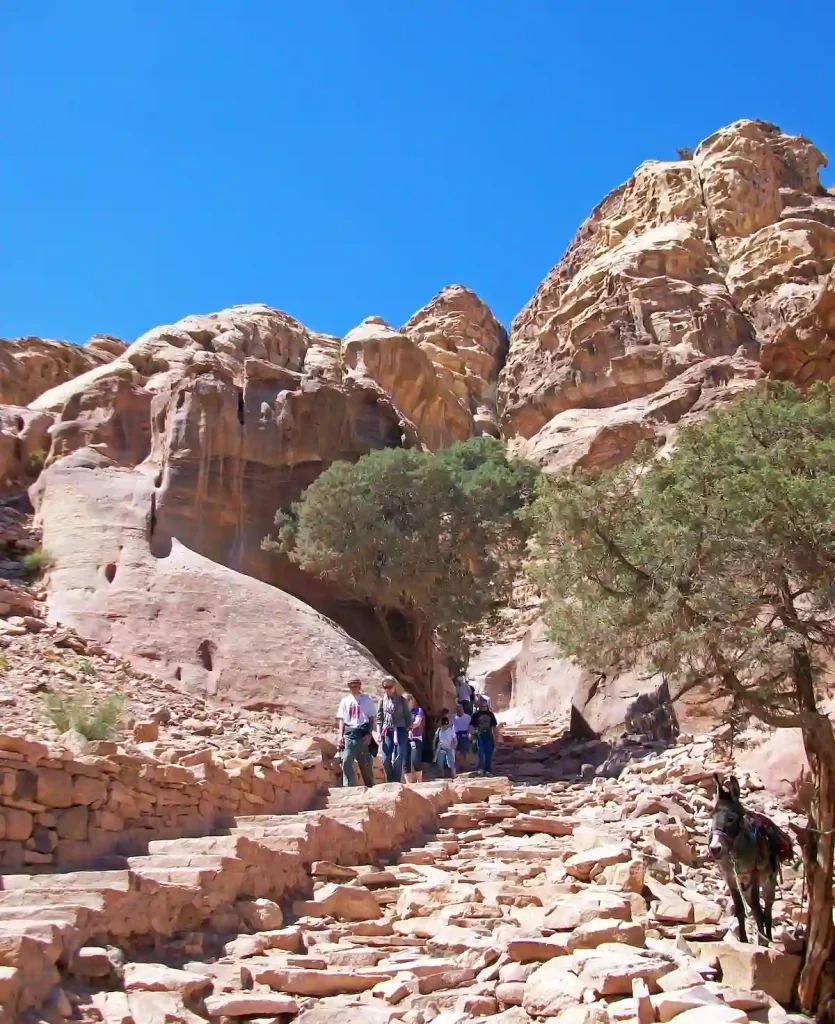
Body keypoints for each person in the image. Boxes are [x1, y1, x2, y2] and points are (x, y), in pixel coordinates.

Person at [336, 678, 376, 787]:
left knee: (366, 764)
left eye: (355, 686)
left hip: (363, 733)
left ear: (359, 686)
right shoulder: (345, 700)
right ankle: (348, 788)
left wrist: (369, 734)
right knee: (346, 760)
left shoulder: (367, 699)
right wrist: (340, 736)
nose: (353, 689)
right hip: (349, 733)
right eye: (351, 687)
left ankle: (370, 787)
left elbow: (371, 717)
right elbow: (341, 719)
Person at [375, 676, 410, 783]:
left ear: (394, 687)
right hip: (387, 730)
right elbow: (379, 718)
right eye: (385, 687)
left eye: (390, 686)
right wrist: (378, 732)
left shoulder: (402, 700)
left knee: (399, 755)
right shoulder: (382, 701)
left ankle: (396, 780)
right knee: (385, 758)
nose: (388, 689)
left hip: (400, 730)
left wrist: (409, 730)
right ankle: (390, 779)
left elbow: (407, 716)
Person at [470, 697, 498, 776]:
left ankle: (488, 769)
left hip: (488, 734)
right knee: (480, 752)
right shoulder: (476, 714)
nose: (483, 707)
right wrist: (471, 734)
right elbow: (472, 725)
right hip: (480, 734)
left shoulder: (490, 714)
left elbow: (494, 726)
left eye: (484, 706)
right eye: (482, 706)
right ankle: (481, 768)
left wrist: (496, 736)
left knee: (489, 752)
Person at [405, 695, 425, 783]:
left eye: (408, 700)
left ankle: (419, 781)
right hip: (404, 738)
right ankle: (408, 784)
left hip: (415, 737)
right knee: (405, 761)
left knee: (415, 760)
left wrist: (409, 728)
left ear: (412, 701)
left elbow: (417, 722)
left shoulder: (418, 710)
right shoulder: (401, 712)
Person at [434, 714, 457, 779]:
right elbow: (435, 739)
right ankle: (442, 774)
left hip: (449, 747)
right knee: (440, 763)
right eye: (445, 725)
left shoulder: (451, 730)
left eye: (447, 724)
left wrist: (453, 746)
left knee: (451, 762)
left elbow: (455, 740)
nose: (446, 726)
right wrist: (434, 747)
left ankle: (454, 775)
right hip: (441, 748)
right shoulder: (439, 730)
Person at [451, 702, 472, 771]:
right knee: (455, 752)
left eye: (460, 710)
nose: (459, 712)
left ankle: (465, 766)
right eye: (457, 710)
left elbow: (470, 726)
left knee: (465, 752)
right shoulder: (453, 717)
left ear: (463, 709)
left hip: (464, 734)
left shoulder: (468, 717)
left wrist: (469, 733)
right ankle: (457, 766)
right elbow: (450, 726)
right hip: (455, 735)